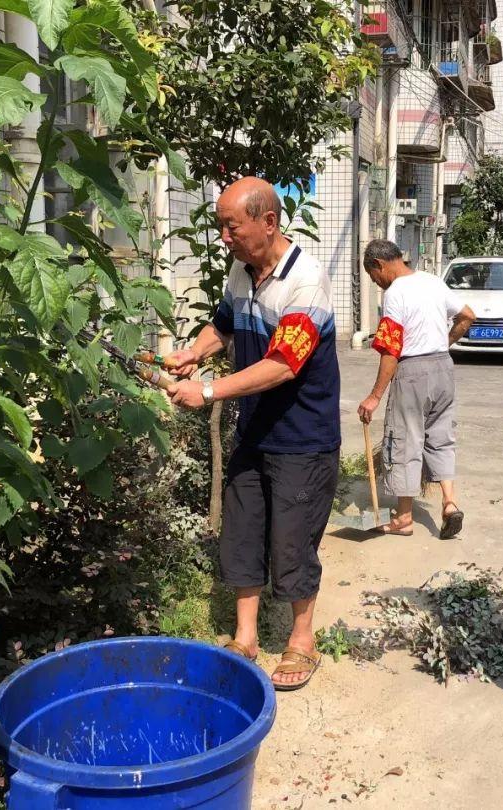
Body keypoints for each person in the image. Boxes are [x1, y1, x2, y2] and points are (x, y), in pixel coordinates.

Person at [166, 177, 339, 691]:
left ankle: (301, 641)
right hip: (254, 431)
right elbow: (223, 326)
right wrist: (192, 354)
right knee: (241, 535)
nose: (224, 237)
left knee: (292, 542)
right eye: (221, 226)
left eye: (231, 226)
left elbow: (283, 365)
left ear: (268, 223)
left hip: (302, 439)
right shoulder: (242, 272)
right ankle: (245, 637)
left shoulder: (305, 283)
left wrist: (211, 391)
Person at [356, 240, 475, 538]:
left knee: (405, 440)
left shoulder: (395, 293)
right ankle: (449, 503)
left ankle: (403, 519)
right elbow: (468, 315)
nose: (377, 284)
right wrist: (443, 344)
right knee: (440, 437)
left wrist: (374, 397)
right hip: (443, 368)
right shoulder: (433, 282)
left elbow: (391, 349)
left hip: (413, 372)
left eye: (374, 278)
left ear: (379, 265)